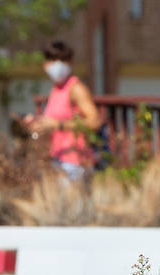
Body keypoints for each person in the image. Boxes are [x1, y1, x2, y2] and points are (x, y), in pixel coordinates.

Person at [21, 40, 102, 182]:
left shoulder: (76, 88)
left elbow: (94, 122)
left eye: (62, 60)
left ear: (70, 63)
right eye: (52, 59)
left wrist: (58, 125)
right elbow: (52, 123)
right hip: (58, 158)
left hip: (75, 161)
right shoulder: (56, 90)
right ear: (45, 64)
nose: (57, 64)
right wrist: (38, 125)